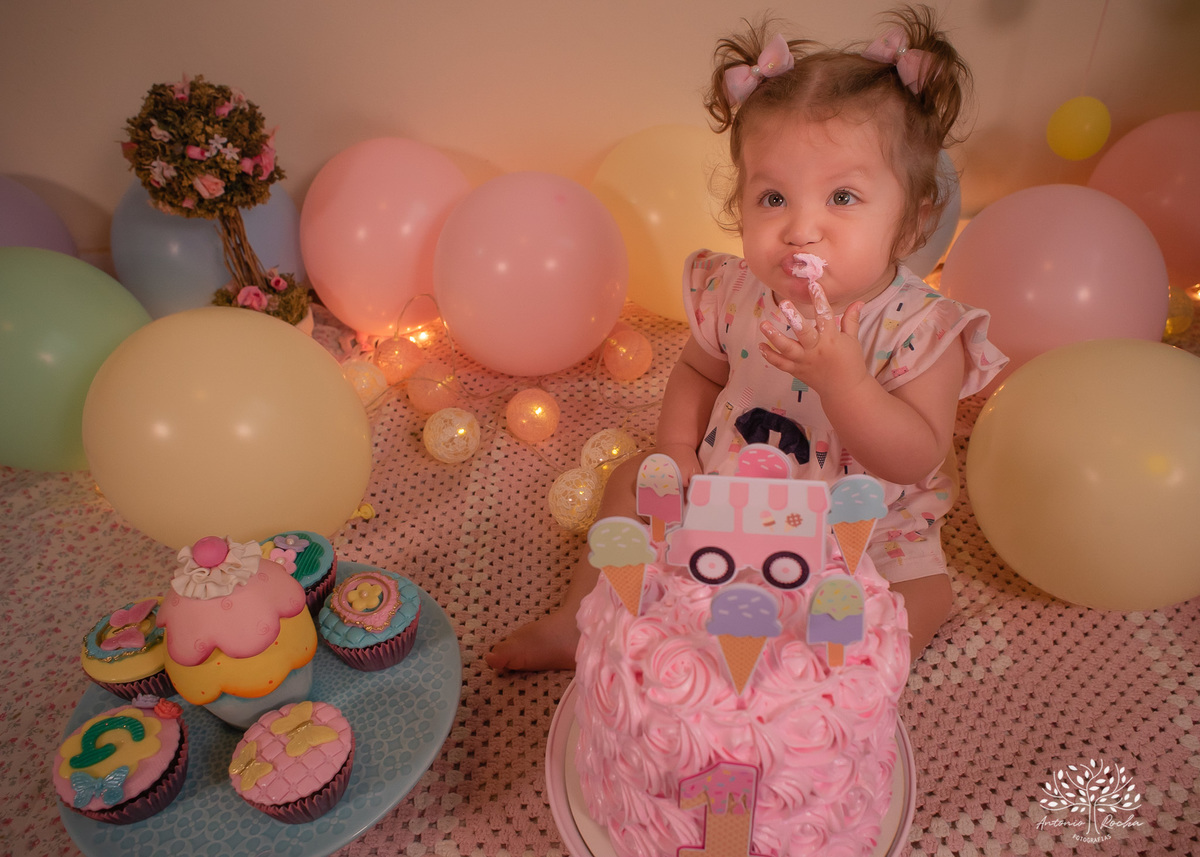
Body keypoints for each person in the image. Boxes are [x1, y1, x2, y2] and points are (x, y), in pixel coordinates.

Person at [488, 5, 1007, 672]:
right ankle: (579, 617)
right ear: (740, 204)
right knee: (630, 482)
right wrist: (678, 451)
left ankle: (845, 678)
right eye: (773, 198)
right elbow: (701, 373)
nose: (801, 229)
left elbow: (916, 454)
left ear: (911, 223)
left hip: (860, 519)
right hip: (731, 482)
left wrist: (844, 381)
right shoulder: (735, 292)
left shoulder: (918, 329)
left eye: (842, 198)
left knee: (923, 591)